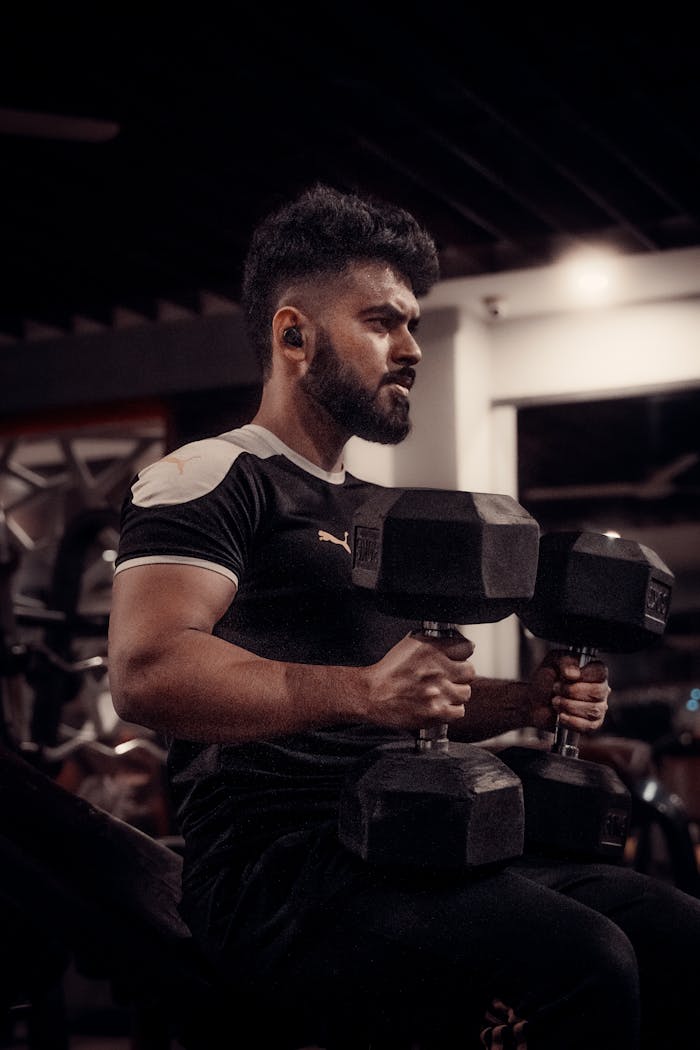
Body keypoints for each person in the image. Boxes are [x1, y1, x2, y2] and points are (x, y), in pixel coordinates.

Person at [108, 183, 700, 1050]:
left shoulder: (379, 513)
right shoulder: (210, 475)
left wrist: (529, 702)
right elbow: (146, 672)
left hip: (405, 832)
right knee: (584, 961)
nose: (413, 348)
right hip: (279, 866)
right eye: (384, 321)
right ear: (294, 333)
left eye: (413, 324)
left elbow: (407, 697)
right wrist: (365, 693)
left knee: (675, 933)